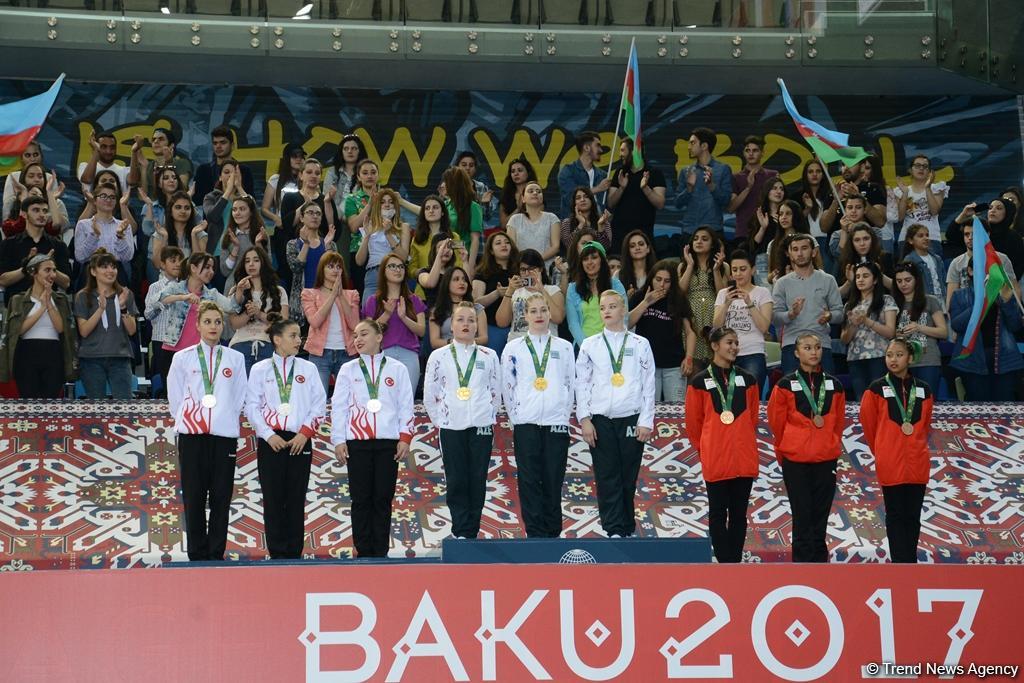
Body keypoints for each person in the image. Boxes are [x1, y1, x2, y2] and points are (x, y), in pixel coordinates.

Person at [166, 301, 248, 562]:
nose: (213, 326)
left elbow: (239, 396)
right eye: (208, 321)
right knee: (194, 495)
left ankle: (216, 553)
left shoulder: (236, 358)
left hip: (223, 437)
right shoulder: (182, 358)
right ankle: (196, 554)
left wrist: (222, 417)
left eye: (218, 321)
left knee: (221, 496)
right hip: (191, 436)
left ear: (223, 326)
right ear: (198, 325)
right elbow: (175, 396)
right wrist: (191, 420)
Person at [331, 319, 415, 557]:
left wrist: (405, 437)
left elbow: (405, 405)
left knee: (382, 498)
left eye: (364, 334)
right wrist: (338, 439)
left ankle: (380, 553)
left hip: (388, 442)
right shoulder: (348, 369)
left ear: (379, 337)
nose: (357, 339)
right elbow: (338, 407)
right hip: (357, 443)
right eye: (355, 335)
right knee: (360, 499)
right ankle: (362, 550)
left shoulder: (397, 368)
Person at [245, 315, 326, 560]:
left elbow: (319, 404)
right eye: (292, 336)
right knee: (272, 498)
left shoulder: (308, 368)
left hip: (299, 440)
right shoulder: (260, 369)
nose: (298, 341)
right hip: (271, 442)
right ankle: (277, 552)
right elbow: (251, 406)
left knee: (295, 497)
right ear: (277, 339)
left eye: (299, 336)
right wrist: (268, 436)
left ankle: (294, 553)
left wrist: (305, 434)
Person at [576, 290, 656, 538]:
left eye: (612, 306)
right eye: (602, 307)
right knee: (606, 474)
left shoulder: (640, 344)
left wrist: (646, 420)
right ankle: (612, 529)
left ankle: (627, 527)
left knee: (627, 475)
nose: (607, 311)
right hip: (600, 419)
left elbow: (648, 383)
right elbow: (582, 384)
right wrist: (585, 419)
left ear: (623, 310)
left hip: (631, 417)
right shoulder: (590, 345)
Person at [424, 302, 502, 539]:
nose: (466, 324)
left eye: (471, 320)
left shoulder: (489, 356)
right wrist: (443, 420)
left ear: (477, 325)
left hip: (481, 426)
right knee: (456, 479)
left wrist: (486, 416)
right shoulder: (439, 356)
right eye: (461, 319)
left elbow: (496, 392)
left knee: (477, 479)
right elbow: (430, 393)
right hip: (450, 427)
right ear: (451, 325)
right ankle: (460, 530)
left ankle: (472, 530)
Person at [501, 293, 576, 538]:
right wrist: (517, 417)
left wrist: (563, 416)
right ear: (525, 315)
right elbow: (507, 386)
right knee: (529, 479)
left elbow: (570, 383)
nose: (539, 315)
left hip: (556, 422)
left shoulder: (564, 347)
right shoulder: (513, 348)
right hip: (526, 422)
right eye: (533, 311)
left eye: (543, 310)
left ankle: (553, 532)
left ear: (550, 313)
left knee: (553, 478)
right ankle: (534, 533)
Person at [767, 333, 846, 563]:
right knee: (802, 515)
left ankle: (820, 566)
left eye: (818, 347)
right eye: (808, 347)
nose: (814, 352)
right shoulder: (784, 384)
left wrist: (828, 442)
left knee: (821, 515)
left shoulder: (835, 385)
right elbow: (776, 422)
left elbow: (838, 422)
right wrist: (790, 445)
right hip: (795, 459)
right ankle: (801, 567)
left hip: (826, 458)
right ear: (796, 352)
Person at [684, 327, 759, 562]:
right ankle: (724, 563)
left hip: (743, 457)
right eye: (729, 342)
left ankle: (734, 562)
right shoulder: (698, 382)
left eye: (736, 343)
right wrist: (707, 448)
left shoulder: (748, 380)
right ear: (715, 346)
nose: (734, 347)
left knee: (739, 514)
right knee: (717, 513)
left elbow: (753, 417)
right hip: (715, 457)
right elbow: (693, 423)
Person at [860, 337, 934, 563]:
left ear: (910, 358)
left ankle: (910, 561)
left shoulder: (924, 389)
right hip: (891, 462)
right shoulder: (876, 389)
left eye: (899, 355)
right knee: (895, 516)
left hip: (917, 463)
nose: (893, 359)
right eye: (889, 355)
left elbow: (925, 426)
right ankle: (899, 564)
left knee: (912, 516)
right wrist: (883, 450)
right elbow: (868, 424)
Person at [0, 253, 77, 398]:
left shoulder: (60, 300)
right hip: (26, 353)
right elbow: (18, 330)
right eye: (47, 270)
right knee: (29, 401)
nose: (52, 274)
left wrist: (48, 303)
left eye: (54, 270)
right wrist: (41, 307)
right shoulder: (18, 300)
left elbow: (61, 329)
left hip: (53, 352)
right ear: (33, 273)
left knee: (51, 402)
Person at [772, 234, 845, 374]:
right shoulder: (782, 283)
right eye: (795, 249)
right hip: (792, 344)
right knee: (793, 393)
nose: (799, 253)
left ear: (814, 252)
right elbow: (775, 318)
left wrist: (829, 316)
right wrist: (791, 314)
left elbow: (840, 314)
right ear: (790, 254)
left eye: (804, 248)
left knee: (827, 391)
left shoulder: (828, 280)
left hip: (821, 342)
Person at [950, 264, 1022, 401]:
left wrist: (1006, 302)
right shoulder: (959, 295)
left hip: (1003, 360)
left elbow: (1015, 326)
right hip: (972, 362)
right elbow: (956, 325)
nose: (988, 274)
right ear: (970, 271)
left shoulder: (1003, 294)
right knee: (978, 408)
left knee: (1004, 408)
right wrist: (982, 301)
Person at [74, 249, 139, 399]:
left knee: (124, 405)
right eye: (104, 267)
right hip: (91, 359)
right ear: (93, 271)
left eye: (113, 266)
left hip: (120, 357)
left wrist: (123, 307)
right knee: (97, 408)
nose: (110, 271)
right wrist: (100, 309)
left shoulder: (125, 294)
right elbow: (83, 331)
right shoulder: (83, 296)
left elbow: (132, 330)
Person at [628, 259, 696, 401]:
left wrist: (688, 358)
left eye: (667, 281)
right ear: (651, 278)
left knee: (677, 409)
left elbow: (690, 332)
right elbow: (626, 324)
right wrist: (646, 302)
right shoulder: (640, 296)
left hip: (673, 364)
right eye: (658, 279)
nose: (661, 284)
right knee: (649, 408)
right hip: (646, 364)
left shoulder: (678, 299)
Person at [363, 252, 427, 390]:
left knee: (407, 401)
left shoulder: (414, 300)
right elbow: (368, 333)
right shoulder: (373, 300)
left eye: (401, 267)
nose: (397, 270)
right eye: (392, 266)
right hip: (383, 353)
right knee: (383, 400)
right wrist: (387, 314)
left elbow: (421, 331)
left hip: (409, 354)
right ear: (383, 271)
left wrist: (404, 317)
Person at [301, 251, 360, 394]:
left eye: (339, 267)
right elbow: (315, 322)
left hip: (347, 353)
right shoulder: (309, 294)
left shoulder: (352, 294)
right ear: (322, 269)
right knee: (318, 399)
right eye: (331, 266)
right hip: (320, 354)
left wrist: (340, 295)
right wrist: (333, 295)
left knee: (348, 400)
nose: (335, 270)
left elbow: (355, 326)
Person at [157, 252, 238, 356]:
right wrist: (183, 297)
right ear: (193, 268)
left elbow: (232, 307)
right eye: (207, 267)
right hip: (173, 349)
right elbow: (160, 300)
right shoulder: (175, 287)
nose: (211, 272)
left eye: (212, 268)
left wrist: (239, 290)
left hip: (202, 352)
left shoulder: (212, 294)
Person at [712, 250, 773, 389]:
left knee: (750, 396)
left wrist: (749, 303)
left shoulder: (762, 293)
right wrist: (727, 303)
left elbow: (764, 327)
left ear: (753, 270)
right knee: (723, 396)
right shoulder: (723, 293)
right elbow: (716, 325)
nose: (738, 274)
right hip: (725, 354)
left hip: (752, 352)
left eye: (743, 269)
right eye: (735, 270)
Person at [841, 261, 898, 400]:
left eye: (865, 276)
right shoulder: (850, 304)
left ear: (876, 279)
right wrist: (853, 325)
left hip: (879, 356)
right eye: (858, 276)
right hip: (855, 358)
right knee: (862, 400)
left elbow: (891, 332)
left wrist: (866, 321)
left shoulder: (886, 300)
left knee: (880, 399)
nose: (860, 279)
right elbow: (844, 339)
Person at [228, 246, 288, 371]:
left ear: (263, 263)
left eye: (256, 260)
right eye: (247, 261)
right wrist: (248, 313)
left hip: (268, 344)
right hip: (240, 345)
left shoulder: (279, 291)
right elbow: (234, 324)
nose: (251, 264)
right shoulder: (236, 290)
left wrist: (259, 314)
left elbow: (284, 324)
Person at [0, 195, 72, 297]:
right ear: (24, 214)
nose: (42, 214)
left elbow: (66, 283)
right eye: (36, 210)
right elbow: (2, 280)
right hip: (18, 304)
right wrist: (26, 268)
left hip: (50, 303)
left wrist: (48, 266)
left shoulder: (58, 245)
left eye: (45, 211)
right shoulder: (9, 244)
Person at [893, 261, 947, 393]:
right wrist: (898, 334)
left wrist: (919, 327)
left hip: (928, 360)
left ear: (916, 280)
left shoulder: (930, 301)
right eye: (899, 281)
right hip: (903, 363)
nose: (903, 284)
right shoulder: (893, 304)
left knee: (927, 403)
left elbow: (943, 332)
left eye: (907, 280)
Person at [680, 227, 728, 369]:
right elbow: (680, 292)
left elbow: (722, 293)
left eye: (704, 239)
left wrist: (716, 270)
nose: (699, 241)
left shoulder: (723, 266)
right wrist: (689, 266)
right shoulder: (683, 266)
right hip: (691, 318)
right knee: (694, 369)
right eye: (695, 238)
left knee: (715, 365)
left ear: (713, 244)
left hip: (714, 316)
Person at [280, 159, 334, 286]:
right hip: (296, 252)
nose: (313, 176)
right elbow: (286, 225)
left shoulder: (324, 199)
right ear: (301, 175)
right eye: (309, 172)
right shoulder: (290, 197)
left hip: (320, 248)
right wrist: (306, 204)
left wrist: (327, 203)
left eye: (317, 173)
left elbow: (332, 227)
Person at [606, 137, 666, 250]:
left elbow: (660, 204)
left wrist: (645, 188)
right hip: (619, 235)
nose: (620, 154)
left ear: (635, 151)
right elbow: (610, 203)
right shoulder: (620, 172)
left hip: (644, 234)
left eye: (623, 150)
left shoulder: (654, 173)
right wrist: (622, 188)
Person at [945, 220, 1018, 311]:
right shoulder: (956, 263)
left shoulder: (1002, 259)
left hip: (997, 311)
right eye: (966, 234)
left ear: (987, 234)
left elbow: (1014, 289)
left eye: (975, 234)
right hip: (968, 313)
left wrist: (1016, 312)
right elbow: (951, 298)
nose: (970, 238)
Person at [354, 188, 411, 303]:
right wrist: (367, 236)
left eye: (391, 202)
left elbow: (404, 257)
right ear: (378, 206)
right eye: (383, 202)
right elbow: (359, 261)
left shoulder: (404, 227)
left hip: (395, 273)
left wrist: (388, 233)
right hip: (373, 275)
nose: (387, 205)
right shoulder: (370, 225)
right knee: (370, 317)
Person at [496, 248, 565, 342]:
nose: (527, 273)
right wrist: (509, 291)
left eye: (531, 269)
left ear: (540, 269)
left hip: (546, 343)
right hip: (517, 344)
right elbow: (501, 323)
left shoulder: (553, 290)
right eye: (523, 270)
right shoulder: (515, 292)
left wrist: (541, 289)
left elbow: (558, 318)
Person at [566, 241, 627, 347]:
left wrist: (613, 343)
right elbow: (573, 324)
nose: (589, 262)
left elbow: (624, 316)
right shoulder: (572, 288)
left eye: (594, 257)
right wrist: (587, 346)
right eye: (585, 259)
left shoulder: (616, 285)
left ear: (602, 261)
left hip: (612, 345)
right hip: (583, 346)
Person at [286, 203, 339, 326]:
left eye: (318, 214)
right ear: (301, 218)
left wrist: (327, 247)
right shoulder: (292, 244)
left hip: (326, 300)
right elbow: (296, 268)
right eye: (310, 213)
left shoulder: (330, 244)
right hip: (302, 303)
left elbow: (336, 273)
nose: (314, 216)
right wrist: (305, 243)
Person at [674, 127, 732, 235]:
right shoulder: (686, 171)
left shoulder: (723, 169)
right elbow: (677, 203)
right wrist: (689, 189)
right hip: (690, 230)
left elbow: (726, 201)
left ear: (704, 146)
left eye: (692, 143)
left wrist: (711, 185)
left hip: (713, 230)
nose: (688, 147)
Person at [144, 246, 185, 396]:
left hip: (182, 340)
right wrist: (163, 301)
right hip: (161, 340)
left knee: (184, 381)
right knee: (167, 380)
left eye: (180, 261)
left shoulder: (186, 286)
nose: (177, 264)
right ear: (162, 264)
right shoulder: (155, 287)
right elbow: (147, 314)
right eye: (173, 260)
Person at [471, 231, 517, 356]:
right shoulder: (482, 272)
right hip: (492, 328)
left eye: (507, 242)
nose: (504, 245)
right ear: (491, 250)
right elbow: (476, 303)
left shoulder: (519, 270)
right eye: (498, 243)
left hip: (518, 328)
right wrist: (496, 293)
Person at [728, 135, 779, 244]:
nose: (751, 154)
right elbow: (731, 208)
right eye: (748, 150)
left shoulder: (772, 175)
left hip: (768, 231)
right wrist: (748, 187)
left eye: (755, 150)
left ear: (762, 153)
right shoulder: (736, 177)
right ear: (743, 153)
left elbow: (780, 201)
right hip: (743, 232)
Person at [146, 190, 206, 278]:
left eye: (187, 208)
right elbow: (157, 264)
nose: (183, 211)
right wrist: (165, 237)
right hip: (166, 284)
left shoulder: (199, 233)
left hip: (191, 282)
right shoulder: (161, 233)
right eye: (178, 207)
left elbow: (200, 264)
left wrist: (193, 236)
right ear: (170, 210)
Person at [894, 155, 947, 254]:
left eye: (925, 166)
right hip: (907, 238)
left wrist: (928, 188)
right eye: (917, 165)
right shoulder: (901, 191)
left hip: (931, 238)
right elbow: (900, 217)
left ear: (929, 171)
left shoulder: (937, 188)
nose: (921, 168)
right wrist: (905, 193)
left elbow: (934, 211)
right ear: (910, 170)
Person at [73, 182, 135, 268]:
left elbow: (128, 257)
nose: (108, 200)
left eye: (112, 197)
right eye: (103, 196)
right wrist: (94, 236)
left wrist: (120, 236)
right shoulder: (83, 224)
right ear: (94, 200)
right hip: (91, 269)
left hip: (116, 269)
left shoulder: (123, 226)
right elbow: (80, 257)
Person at [795, 159, 839, 274]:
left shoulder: (830, 195)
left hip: (827, 242)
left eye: (818, 171)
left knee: (828, 276)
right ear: (805, 174)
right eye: (810, 172)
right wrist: (807, 209)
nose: (814, 174)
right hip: (807, 242)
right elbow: (794, 222)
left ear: (823, 174)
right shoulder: (797, 196)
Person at [192, 124, 255, 203]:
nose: (218, 146)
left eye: (223, 142)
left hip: (237, 213)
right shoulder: (203, 170)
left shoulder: (244, 170)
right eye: (215, 143)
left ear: (232, 145)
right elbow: (197, 200)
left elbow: (251, 202)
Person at [442, 166, 485, 278]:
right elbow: (424, 211)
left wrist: (470, 266)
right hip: (445, 257)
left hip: (463, 257)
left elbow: (475, 239)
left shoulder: (473, 207)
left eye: (446, 182)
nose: (443, 185)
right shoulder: (446, 205)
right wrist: (402, 202)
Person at [219, 195, 270, 290]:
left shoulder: (260, 234)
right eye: (234, 210)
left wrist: (258, 245)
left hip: (258, 288)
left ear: (251, 212)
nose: (237, 213)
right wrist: (235, 248)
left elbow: (268, 267)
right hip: (233, 287)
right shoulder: (228, 236)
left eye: (242, 209)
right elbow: (224, 271)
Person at [506, 181, 560, 270]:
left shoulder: (552, 218)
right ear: (523, 198)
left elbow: (555, 247)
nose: (535, 193)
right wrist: (526, 265)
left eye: (539, 192)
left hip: (545, 269)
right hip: (522, 270)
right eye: (530, 191)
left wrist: (536, 262)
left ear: (542, 198)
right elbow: (512, 248)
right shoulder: (514, 219)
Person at [430, 266, 488, 348]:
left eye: (464, 280)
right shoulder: (437, 311)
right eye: (456, 279)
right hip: (447, 352)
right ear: (447, 283)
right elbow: (434, 342)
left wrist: (466, 342)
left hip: (472, 350)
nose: (462, 283)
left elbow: (484, 338)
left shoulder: (477, 309)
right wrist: (455, 342)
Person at [558, 131, 610, 218]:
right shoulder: (568, 171)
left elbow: (608, 203)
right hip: (574, 225)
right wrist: (598, 189)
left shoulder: (603, 175)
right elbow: (570, 197)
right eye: (597, 145)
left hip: (599, 225)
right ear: (586, 148)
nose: (601, 150)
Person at [836, 221, 894, 298]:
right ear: (851, 243)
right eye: (857, 240)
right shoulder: (845, 261)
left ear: (872, 240)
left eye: (866, 239)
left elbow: (897, 287)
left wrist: (880, 276)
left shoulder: (885, 257)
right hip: (854, 305)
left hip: (881, 302)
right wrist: (849, 282)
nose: (862, 243)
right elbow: (837, 295)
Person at [409, 194, 461, 281]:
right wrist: (421, 273)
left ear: (442, 212)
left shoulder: (454, 237)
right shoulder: (417, 239)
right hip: (423, 289)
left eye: (435, 207)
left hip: (449, 286)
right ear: (424, 213)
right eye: (427, 208)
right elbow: (411, 269)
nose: (431, 211)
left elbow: (460, 263)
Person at [324, 134, 368, 234]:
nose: (350, 151)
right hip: (335, 220)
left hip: (358, 219)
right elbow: (327, 197)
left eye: (354, 148)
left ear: (359, 151)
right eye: (346, 148)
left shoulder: (366, 173)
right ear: (341, 152)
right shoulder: (332, 172)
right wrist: (340, 216)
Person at [745, 177, 786, 284]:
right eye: (774, 188)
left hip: (785, 258)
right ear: (767, 191)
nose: (779, 191)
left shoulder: (788, 214)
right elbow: (754, 244)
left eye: (781, 189)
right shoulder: (760, 214)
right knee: (765, 297)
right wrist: (763, 227)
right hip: (764, 259)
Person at [261, 142, 305, 232]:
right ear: (286, 158)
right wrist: (275, 218)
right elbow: (264, 209)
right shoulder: (275, 179)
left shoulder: (307, 180)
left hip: (303, 227)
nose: (298, 159)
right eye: (294, 156)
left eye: (301, 156)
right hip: (282, 227)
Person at [560, 186, 612, 254]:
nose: (582, 200)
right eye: (578, 198)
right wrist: (581, 224)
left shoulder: (603, 222)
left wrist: (600, 227)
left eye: (586, 196)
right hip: (575, 261)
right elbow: (569, 245)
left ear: (592, 200)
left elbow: (605, 247)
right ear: (574, 203)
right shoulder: (567, 222)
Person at [900, 223, 945, 301]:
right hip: (923, 301)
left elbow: (943, 280)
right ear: (910, 240)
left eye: (927, 235)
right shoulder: (909, 259)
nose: (926, 238)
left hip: (941, 300)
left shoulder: (937, 259)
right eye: (920, 236)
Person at [457, 150, 497, 225]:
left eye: (471, 165)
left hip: (475, 231)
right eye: (464, 165)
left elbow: (487, 217)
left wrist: (485, 204)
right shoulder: (449, 186)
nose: (467, 168)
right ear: (457, 167)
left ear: (475, 169)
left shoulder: (481, 187)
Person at [499, 157, 538, 230]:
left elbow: (539, 219)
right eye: (513, 171)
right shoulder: (506, 196)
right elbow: (503, 225)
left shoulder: (536, 193)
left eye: (520, 170)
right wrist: (518, 209)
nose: (516, 174)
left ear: (528, 173)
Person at [618, 229, 656, 297]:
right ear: (628, 251)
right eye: (632, 246)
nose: (637, 248)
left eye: (641, 244)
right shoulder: (618, 275)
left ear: (648, 249)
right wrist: (627, 299)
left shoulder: (657, 272)